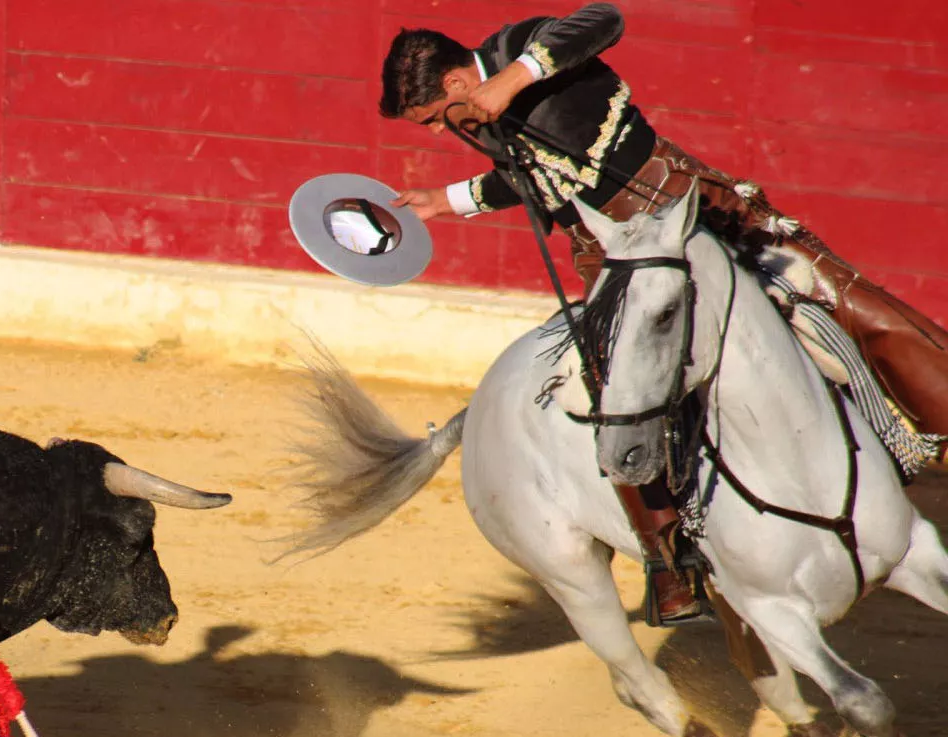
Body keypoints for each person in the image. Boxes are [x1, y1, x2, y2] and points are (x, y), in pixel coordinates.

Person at [378, 2, 948, 625]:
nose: (438, 131)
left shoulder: (522, 47)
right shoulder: (481, 122)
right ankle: (669, 560)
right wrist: (449, 199)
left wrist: (515, 77)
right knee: (621, 394)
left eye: (434, 116)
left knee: (848, 300)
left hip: (690, 207)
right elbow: (540, 176)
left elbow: (602, 19)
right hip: (611, 260)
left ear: (458, 82)